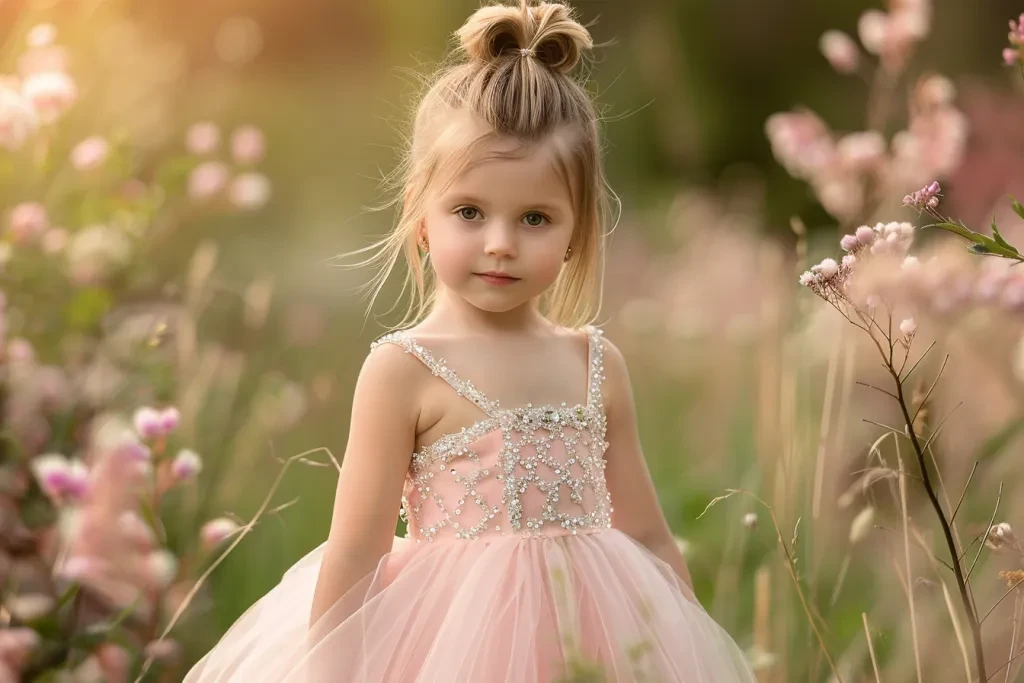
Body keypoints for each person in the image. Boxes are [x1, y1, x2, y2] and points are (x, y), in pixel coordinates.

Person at [184, 2, 756, 681]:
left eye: (536, 218)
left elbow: (649, 533)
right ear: (422, 216)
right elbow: (355, 551)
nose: (500, 243)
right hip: (453, 645)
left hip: (594, 633)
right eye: (469, 212)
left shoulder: (594, 364)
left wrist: (684, 647)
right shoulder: (404, 370)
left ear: (577, 233)